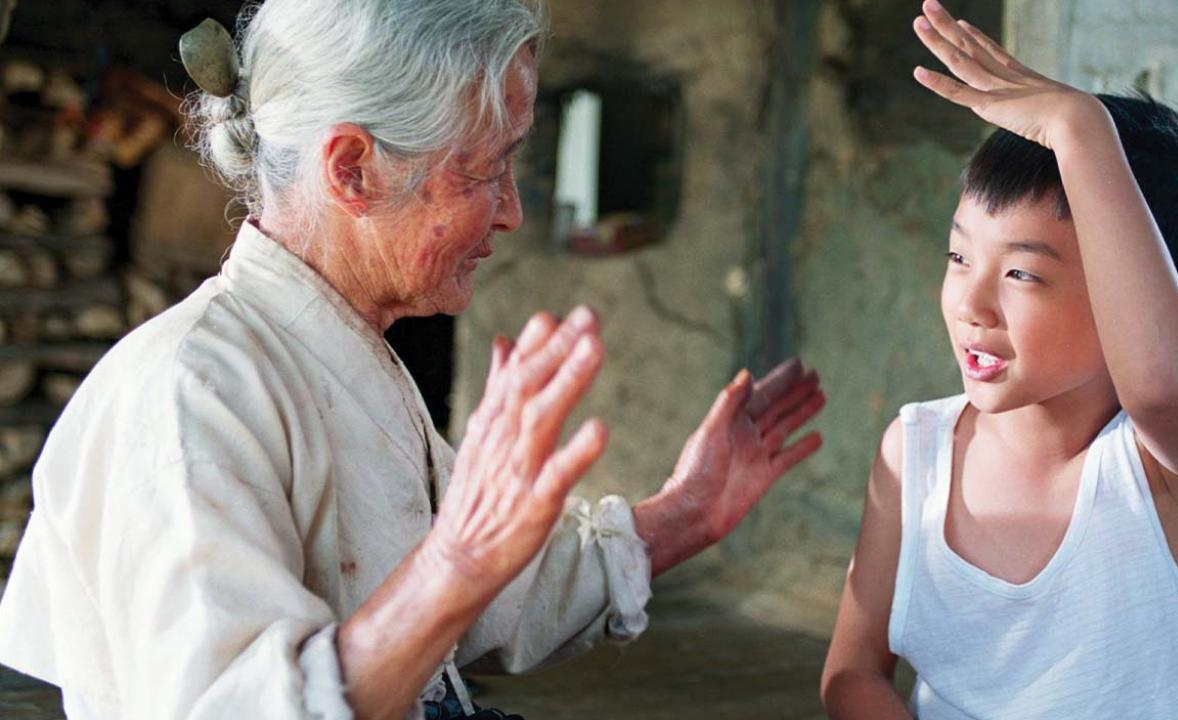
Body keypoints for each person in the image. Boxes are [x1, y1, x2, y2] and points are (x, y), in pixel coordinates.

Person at [0, 2, 826, 719]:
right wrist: (454, 564)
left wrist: (684, 513)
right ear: (353, 167)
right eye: (488, 168)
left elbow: (476, 605)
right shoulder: (192, 392)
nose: (509, 213)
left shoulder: (335, 353)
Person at [820, 2, 1178, 718]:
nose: (972, 302)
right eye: (959, 255)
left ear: (1134, 296)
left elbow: (1157, 384)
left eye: (1023, 274)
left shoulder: (1163, 464)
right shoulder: (916, 453)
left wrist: (1079, 128)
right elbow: (852, 673)